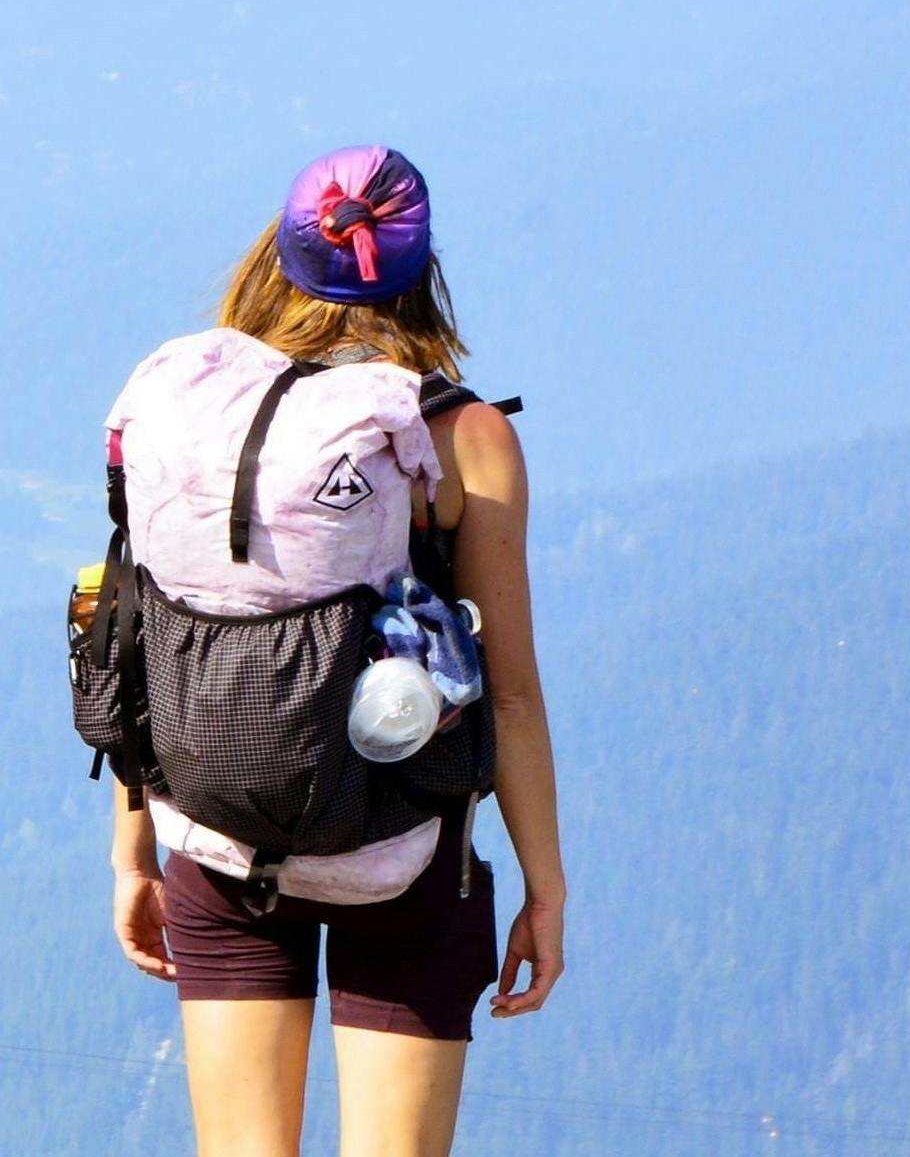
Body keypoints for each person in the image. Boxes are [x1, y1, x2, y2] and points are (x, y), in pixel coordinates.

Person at [106, 145, 566, 1157]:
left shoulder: (192, 414)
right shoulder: (459, 434)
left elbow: (141, 635)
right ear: (419, 268)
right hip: (400, 856)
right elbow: (513, 690)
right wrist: (544, 885)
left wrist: (132, 848)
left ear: (278, 250)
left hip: (219, 839)